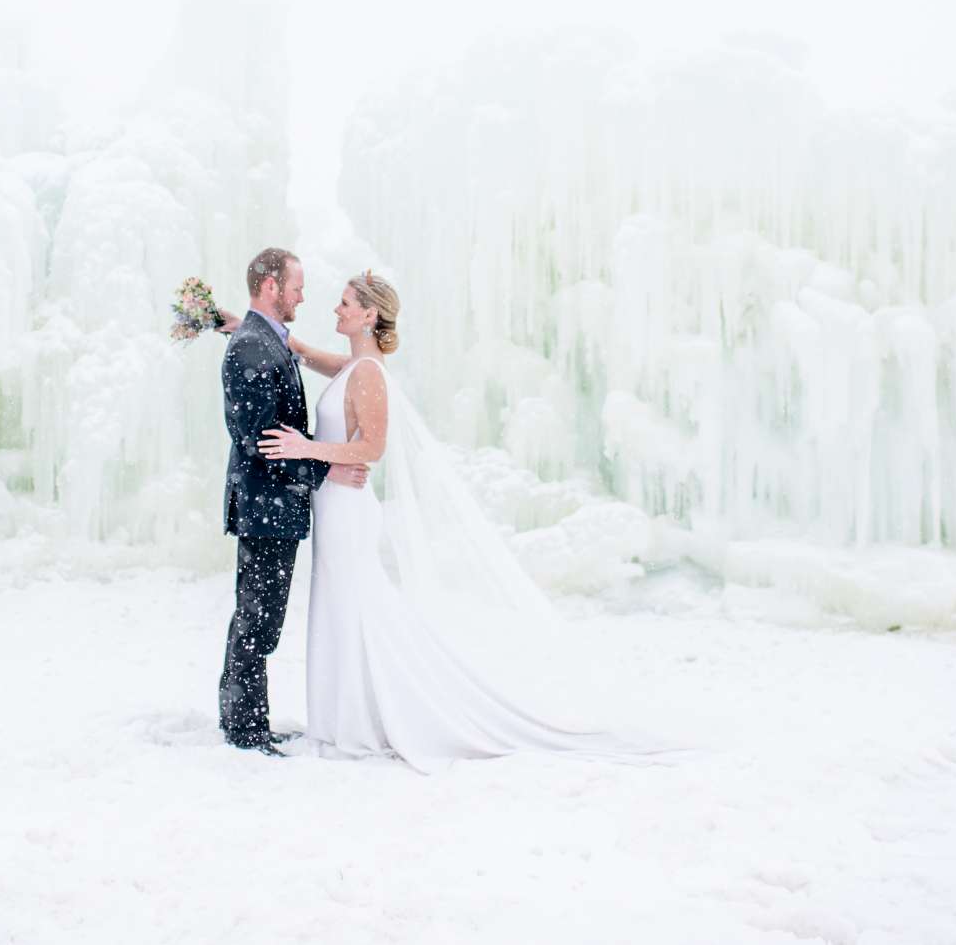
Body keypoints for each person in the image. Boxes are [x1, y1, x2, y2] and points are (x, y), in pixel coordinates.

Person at [260, 272, 674, 773]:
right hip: (334, 506)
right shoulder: (353, 366)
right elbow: (306, 352)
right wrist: (240, 323)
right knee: (340, 610)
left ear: (370, 314)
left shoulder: (369, 372)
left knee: (355, 610)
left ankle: (362, 720)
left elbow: (372, 446)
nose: (336, 309)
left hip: (348, 512)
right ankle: (343, 717)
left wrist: (309, 449)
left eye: (346, 304)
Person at [215, 248, 368, 755]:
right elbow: (263, 440)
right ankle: (244, 729)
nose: (303, 295)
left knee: (259, 617)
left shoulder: (263, 339)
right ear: (270, 286)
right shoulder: (252, 346)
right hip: (265, 507)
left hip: (272, 506)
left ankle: (246, 718)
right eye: (296, 287)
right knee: (257, 619)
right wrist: (328, 468)